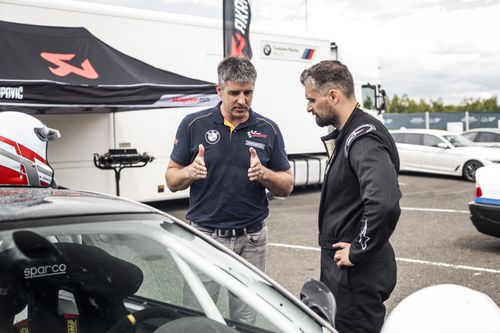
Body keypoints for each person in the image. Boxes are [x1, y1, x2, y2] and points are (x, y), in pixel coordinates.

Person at [165, 56, 294, 324]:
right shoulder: (193, 124)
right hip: (204, 237)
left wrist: (265, 174)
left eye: (248, 93)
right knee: (199, 315)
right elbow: (171, 178)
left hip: (252, 240)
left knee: (246, 317)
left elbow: (287, 185)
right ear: (219, 90)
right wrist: (189, 172)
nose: (242, 100)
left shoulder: (268, 129)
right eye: (234, 93)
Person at [300, 60, 401, 333]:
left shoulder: (362, 137)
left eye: (311, 99)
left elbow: (384, 203)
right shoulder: (349, 134)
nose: (308, 107)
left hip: (356, 278)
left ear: (333, 96)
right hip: (346, 275)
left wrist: (358, 250)